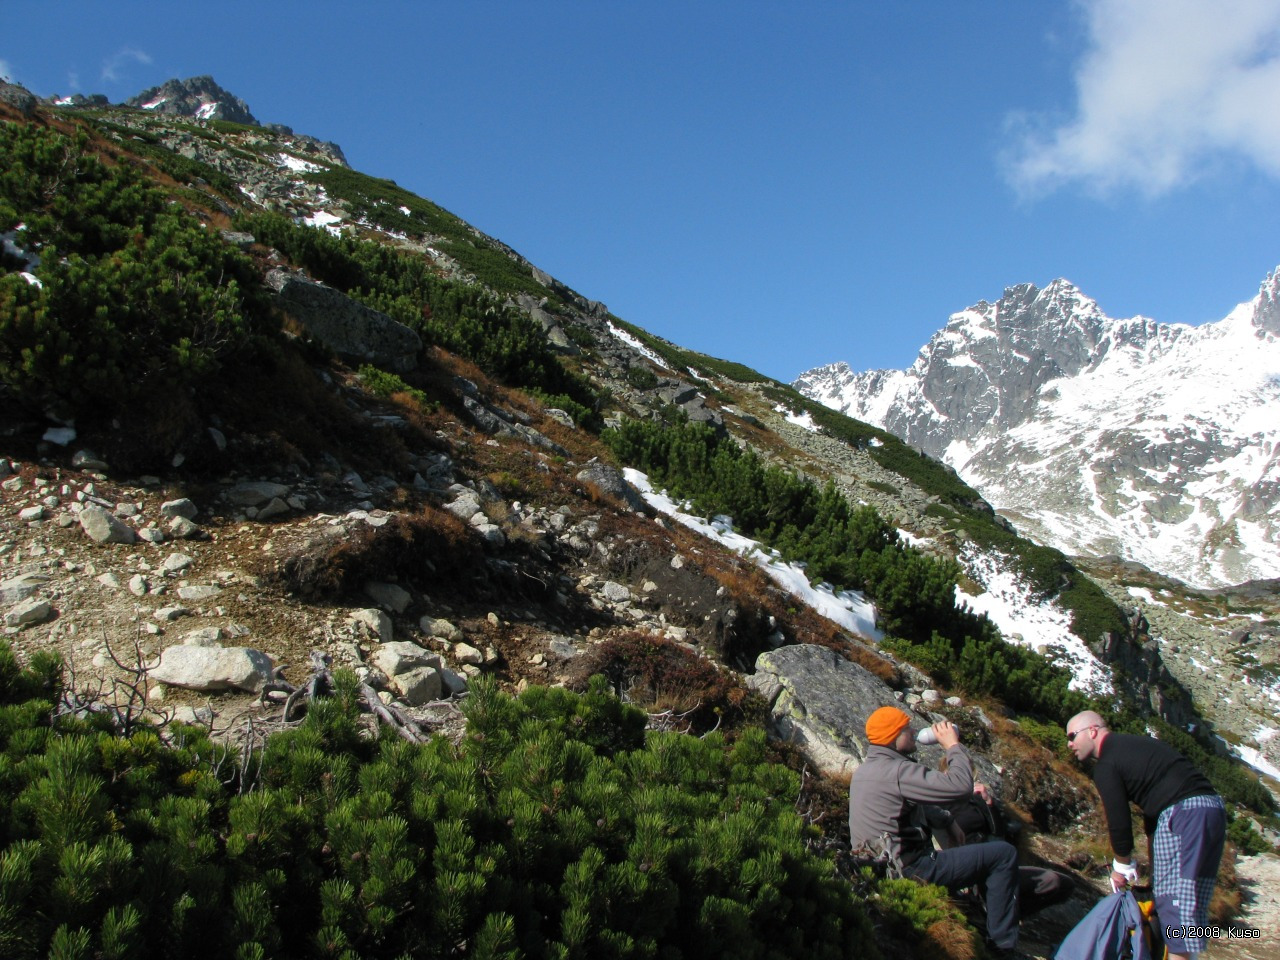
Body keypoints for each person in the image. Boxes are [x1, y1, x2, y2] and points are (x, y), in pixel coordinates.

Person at [849, 706, 1020, 957]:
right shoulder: (899, 771)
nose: (914, 731)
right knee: (1004, 855)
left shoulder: (867, 770)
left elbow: (908, 805)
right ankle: (1003, 948)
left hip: (875, 867)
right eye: (907, 729)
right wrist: (952, 746)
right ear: (894, 736)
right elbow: (960, 787)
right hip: (909, 869)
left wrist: (947, 820)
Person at [1065, 710, 1226, 959]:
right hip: (1212, 811)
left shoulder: (1107, 763)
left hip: (1182, 815)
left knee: (1174, 904)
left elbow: (1118, 819)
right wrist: (1154, 869)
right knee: (1191, 901)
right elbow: (1153, 812)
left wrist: (1122, 865)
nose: (1069, 744)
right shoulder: (1136, 746)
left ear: (1093, 731)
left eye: (1072, 736)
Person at [940, 781, 1074, 916]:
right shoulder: (940, 802)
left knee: (1064, 884)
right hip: (976, 869)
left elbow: (998, 831)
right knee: (1051, 880)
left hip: (999, 863)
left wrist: (988, 802)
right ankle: (995, 917)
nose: (966, 777)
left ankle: (1006, 916)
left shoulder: (973, 799)